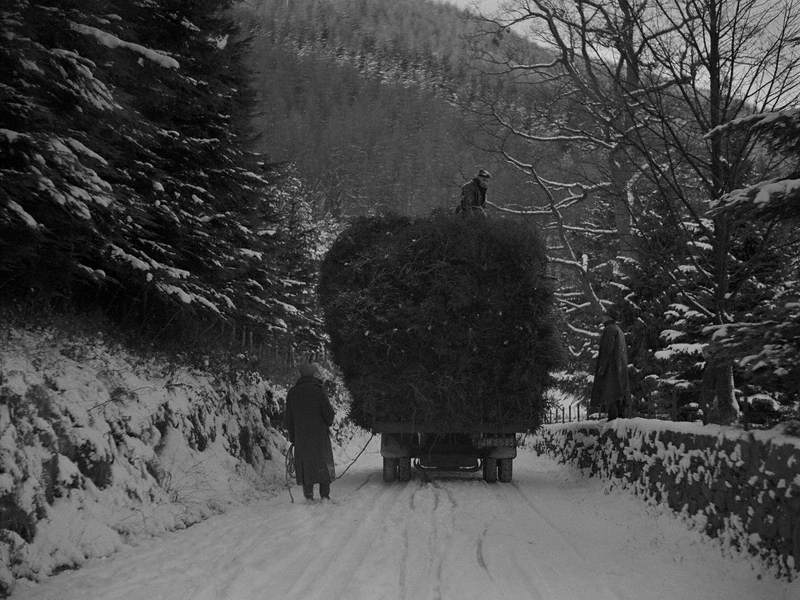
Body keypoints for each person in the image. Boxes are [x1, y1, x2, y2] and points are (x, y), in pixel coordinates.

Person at [284, 360, 336, 501]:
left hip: (301, 438)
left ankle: (308, 496)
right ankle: (324, 496)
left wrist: (293, 437)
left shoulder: (293, 393)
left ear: (300, 375)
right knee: (322, 463)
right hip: (319, 437)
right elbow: (329, 416)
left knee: (305, 465)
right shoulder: (319, 391)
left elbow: (288, 419)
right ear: (313, 374)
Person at [590, 308, 631, 420]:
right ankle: (620, 418)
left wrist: (602, 367)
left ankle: (613, 419)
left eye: (605, 316)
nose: (602, 318)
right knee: (618, 394)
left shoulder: (609, 330)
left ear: (609, 317)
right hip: (619, 368)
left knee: (611, 394)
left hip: (611, 368)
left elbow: (607, 350)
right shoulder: (619, 330)